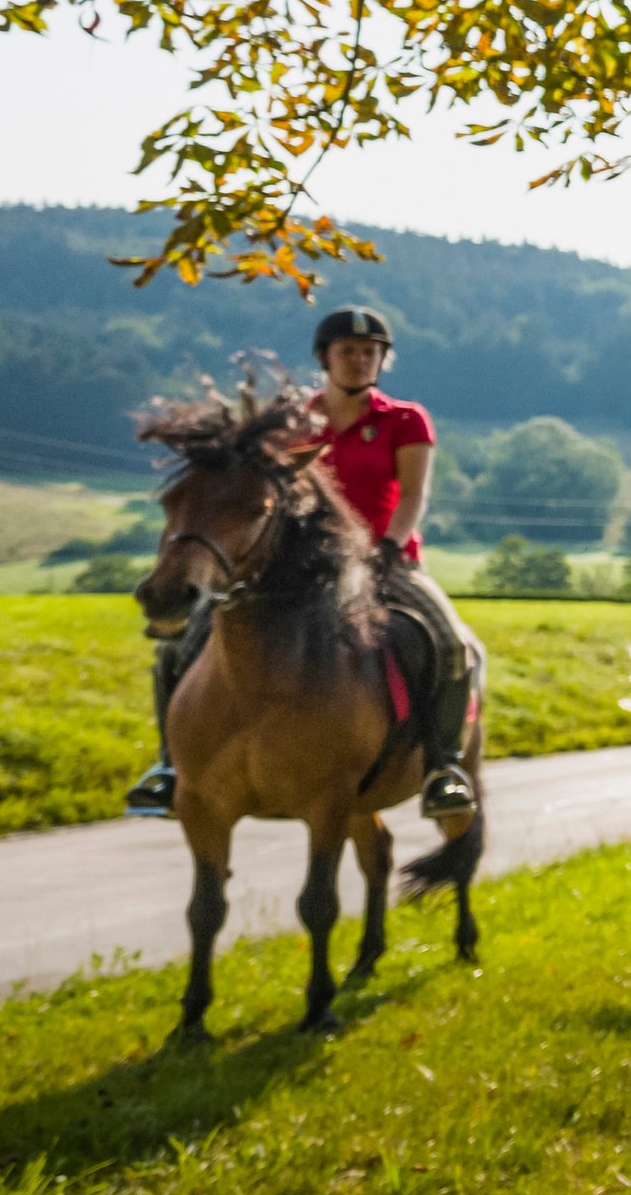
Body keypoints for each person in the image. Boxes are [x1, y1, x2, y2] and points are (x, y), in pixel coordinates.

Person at [127, 304, 479, 823]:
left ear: (382, 359)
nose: (359, 360)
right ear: (324, 358)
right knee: (177, 648)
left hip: (390, 561)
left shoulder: (406, 420)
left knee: (451, 643)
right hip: (305, 568)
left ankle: (443, 768)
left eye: (370, 352)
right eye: (347, 351)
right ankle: (170, 768)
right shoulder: (293, 425)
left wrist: (386, 547)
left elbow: (412, 495)